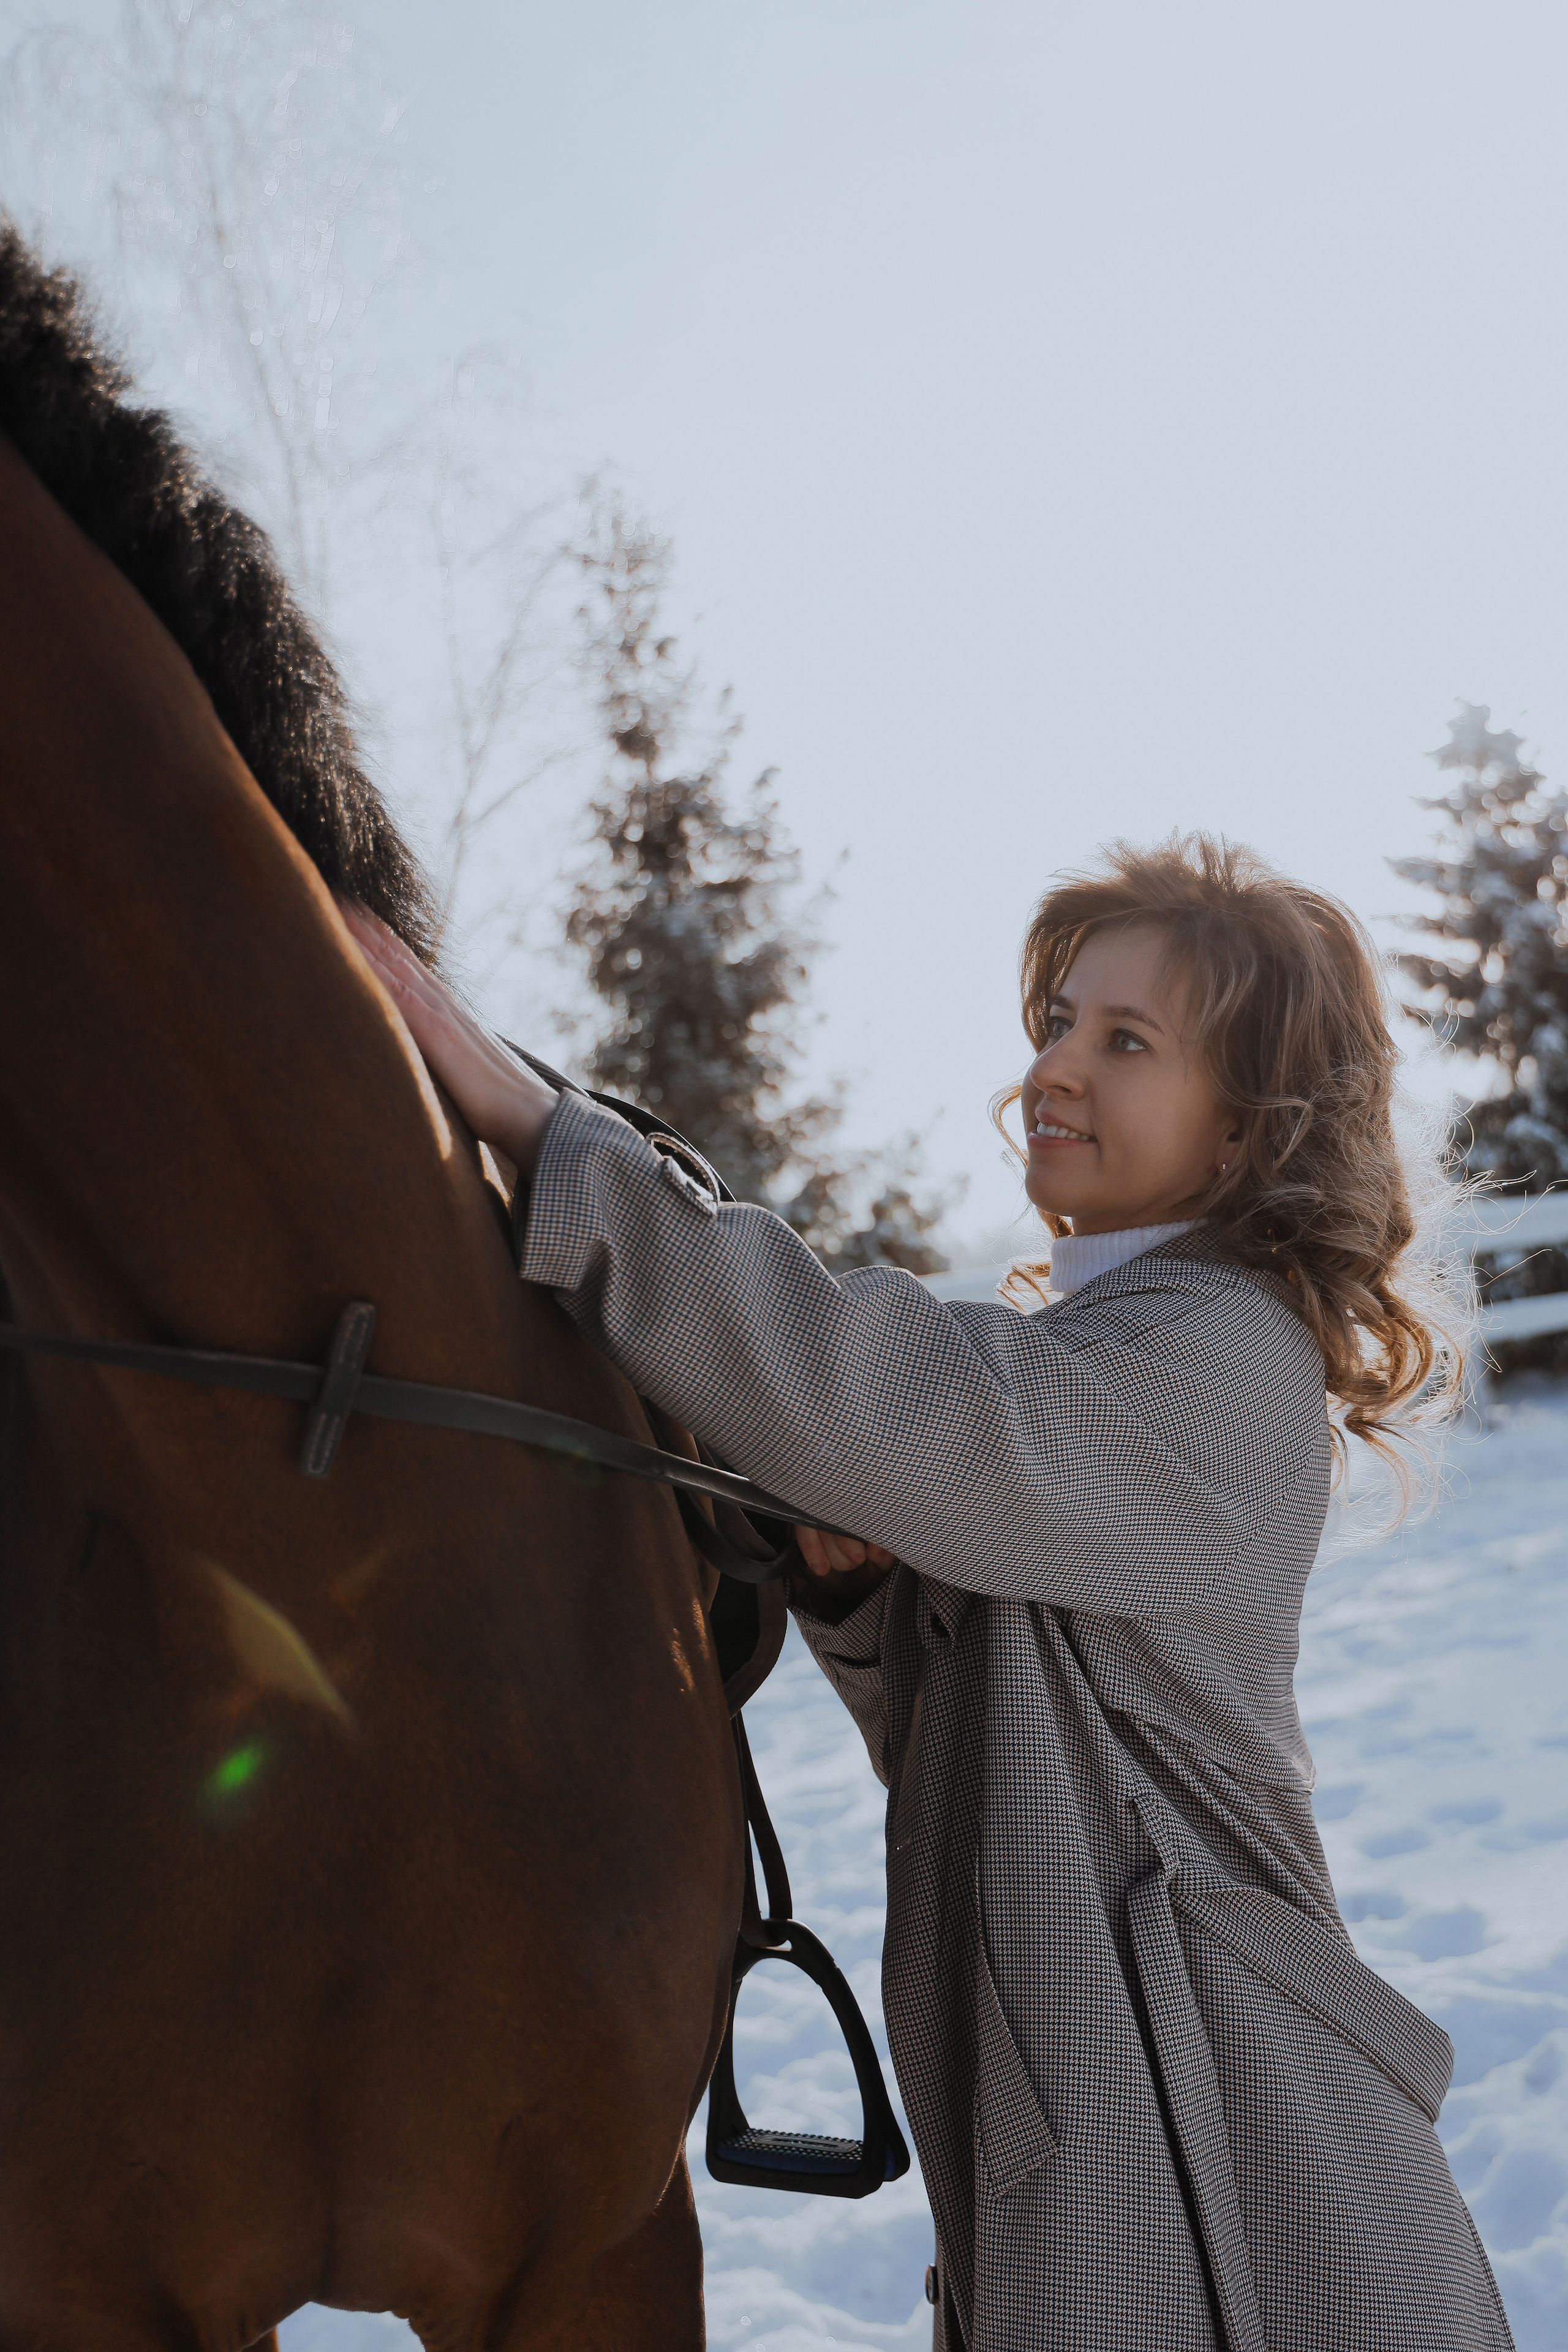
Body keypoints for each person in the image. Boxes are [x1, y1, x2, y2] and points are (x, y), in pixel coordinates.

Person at [341, 836, 1511, 2352]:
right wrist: (860, 1605)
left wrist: (558, 1143)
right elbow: (992, 1731)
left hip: (1224, 2121)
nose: (1056, 1071)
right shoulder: (1107, 1347)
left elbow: (908, 1404)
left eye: (1125, 1041)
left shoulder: (1224, 1359)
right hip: (1097, 2068)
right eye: (1055, 1025)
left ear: (1243, 1134)